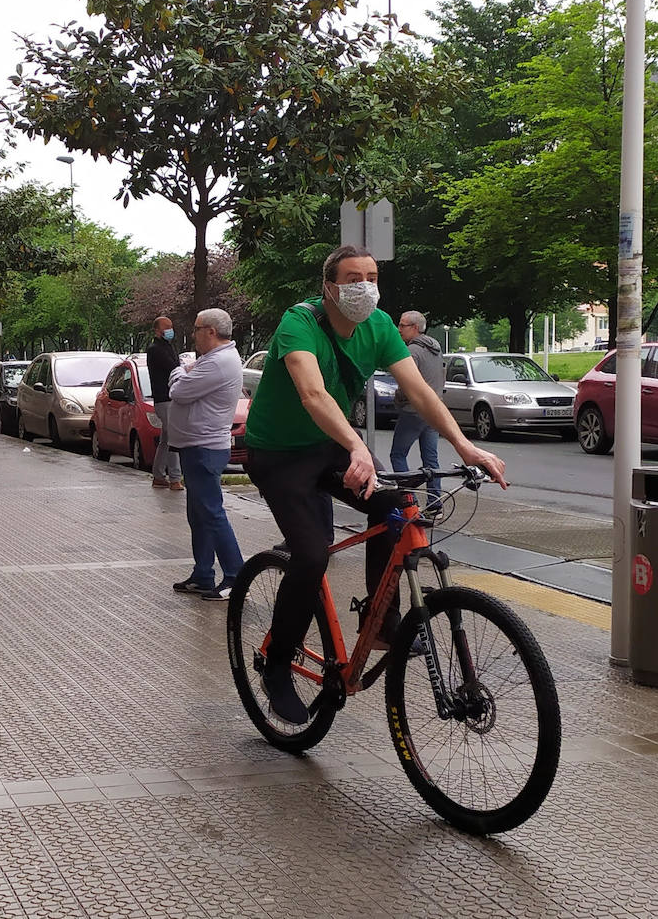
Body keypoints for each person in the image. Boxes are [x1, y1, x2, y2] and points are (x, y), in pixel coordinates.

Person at [243, 244, 507, 725]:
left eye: (371, 275)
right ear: (329, 287)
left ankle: (379, 620)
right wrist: (358, 446)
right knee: (311, 553)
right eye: (352, 277)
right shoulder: (298, 323)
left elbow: (420, 392)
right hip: (279, 455)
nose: (363, 285)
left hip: (329, 446)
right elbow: (312, 392)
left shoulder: (380, 326)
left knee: (399, 506)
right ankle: (278, 664)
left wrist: (466, 448)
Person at [168, 309, 246, 601]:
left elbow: (179, 391)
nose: (193, 333)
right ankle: (203, 574)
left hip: (205, 447)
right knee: (199, 513)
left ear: (211, 331)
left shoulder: (219, 362)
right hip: (196, 444)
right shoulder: (214, 360)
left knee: (211, 513)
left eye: (197, 328)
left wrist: (179, 370)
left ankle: (236, 576)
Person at [390, 311, 445, 515]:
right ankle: (435, 504)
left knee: (397, 454)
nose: (398, 329)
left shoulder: (412, 351)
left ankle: (408, 501)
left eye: (402, 325)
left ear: (414, 328)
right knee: (431, 460)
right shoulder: (436, 349)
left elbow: (407, 382)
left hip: (414, 410)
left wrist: (399, 398)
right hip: (433, 411)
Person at [145, 316, 183, 491]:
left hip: (169, 398)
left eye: (171, 326)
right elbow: (173, 367)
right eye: (167, 327)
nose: (170, 330)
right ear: (158, 330)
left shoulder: (167, 347)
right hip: (164, 398)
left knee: (166, 439)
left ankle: (159, 475)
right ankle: (174, 478)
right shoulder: (155, 349)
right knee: (173, 436)